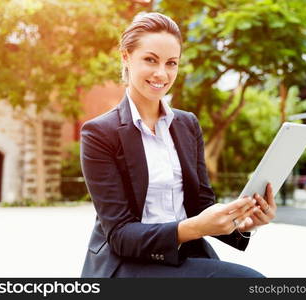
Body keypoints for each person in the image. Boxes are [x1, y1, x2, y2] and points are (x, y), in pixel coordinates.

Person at [80, 12, 277, 278]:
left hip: (186, 255)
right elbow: (120, 235)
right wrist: (194, 228)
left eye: (171, 63)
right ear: (126, 57)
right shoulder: (99, 133)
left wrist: (240, 222)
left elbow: (202, 205)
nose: (161, 73)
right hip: (129, 263)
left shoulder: (187, 125)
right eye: (150, 60)